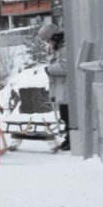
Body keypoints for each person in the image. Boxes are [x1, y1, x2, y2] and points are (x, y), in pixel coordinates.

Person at [43, 24, 72, 152]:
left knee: (68, 115)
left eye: (49, 40)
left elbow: (66, 67)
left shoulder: (65, 48)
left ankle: (70, 139)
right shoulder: (58, 49)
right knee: (64, 114)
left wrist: (49, 69)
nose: (49, 43)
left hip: (68, 88)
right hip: (62, 88)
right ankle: (68, 138)